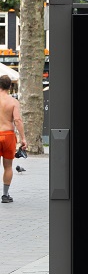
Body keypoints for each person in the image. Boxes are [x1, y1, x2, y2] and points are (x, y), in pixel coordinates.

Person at [0, 75, 26, 203]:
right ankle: (5, 195)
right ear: (10, 86)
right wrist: (23, 138)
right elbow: (17, 120)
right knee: (8, 166)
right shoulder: (13, 102)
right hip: (9, 135)